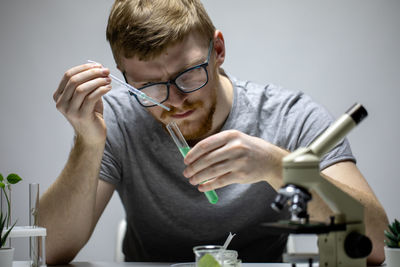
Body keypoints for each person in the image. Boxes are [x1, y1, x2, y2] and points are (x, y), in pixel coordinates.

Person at [39, 0, 388, 265]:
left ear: (217, 50)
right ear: (123, 77)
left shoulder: (288, 116)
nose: (174, 102)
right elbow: (47, 251)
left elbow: (374, 242)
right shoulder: (115, 120)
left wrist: (279, 167)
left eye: (188, 74)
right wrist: (88, 142)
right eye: (149, 88)